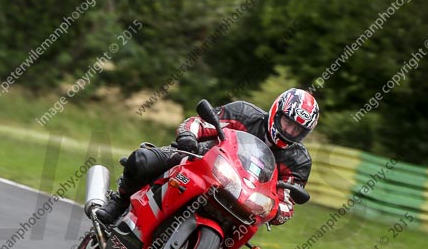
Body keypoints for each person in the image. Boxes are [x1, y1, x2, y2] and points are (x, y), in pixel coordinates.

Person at [95, 88, 319, 226]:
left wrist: (278, 210)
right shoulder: (243, 113)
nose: (289, 131)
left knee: (242, 236)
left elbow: (287, 202)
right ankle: (119, 202)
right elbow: (198, 123)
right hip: (201, 160)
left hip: (243, 198)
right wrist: (188, 136)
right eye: (287, 122)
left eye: (296, 130)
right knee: (143, 159)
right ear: (275, 112)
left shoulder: (298, 161)